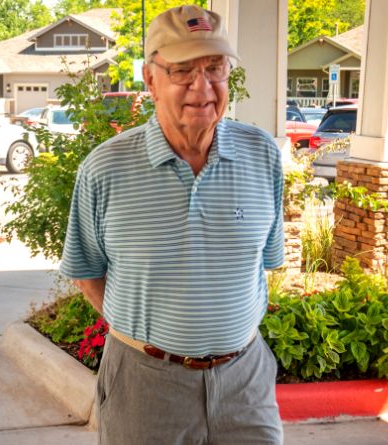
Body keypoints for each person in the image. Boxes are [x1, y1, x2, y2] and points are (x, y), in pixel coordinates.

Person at [60, 5, 286, 445]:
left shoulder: (262, 155)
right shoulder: (105, 169)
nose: (202, 88)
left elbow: (264, 262)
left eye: (215, 68)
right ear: (150, 79)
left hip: (246, 382)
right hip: (145, 386)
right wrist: (149, 337)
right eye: (182, 70)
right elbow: (87, 273)